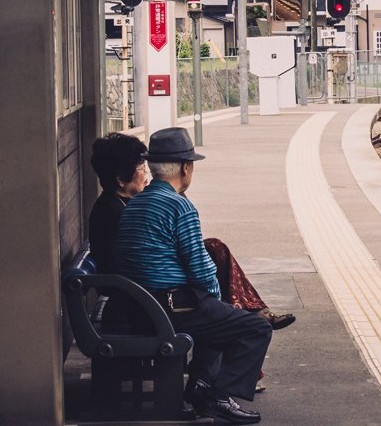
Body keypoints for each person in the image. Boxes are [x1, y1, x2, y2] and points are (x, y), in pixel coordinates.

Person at [115, 128, 271, 424]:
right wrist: (216, 298)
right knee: (254, 328)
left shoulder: (134, 204)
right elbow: (201, 270)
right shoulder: (179, 205)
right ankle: (219, 396)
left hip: (136, 307)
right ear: (186, 168)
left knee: (217, 317)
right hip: (169, 308)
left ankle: (200, 388)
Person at [88, 133, 295, 328]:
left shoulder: (129, 203)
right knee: (241, 319)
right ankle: (244, 311)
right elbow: (134, 263)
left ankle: (248, 308)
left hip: (146, 291)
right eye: (141, 168)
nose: (146, 174)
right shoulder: (113, 211)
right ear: (121, 178)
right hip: (142, 295)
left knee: (214, 249)